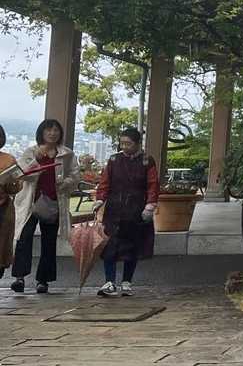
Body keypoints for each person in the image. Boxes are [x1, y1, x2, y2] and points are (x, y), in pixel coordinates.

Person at [11, 119, 80, 294]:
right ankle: (19, 277)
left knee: (49, 242)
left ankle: (43, 280)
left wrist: (65, 183)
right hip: (31, 203)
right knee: (24, 238)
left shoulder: (66, 154)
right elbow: (21, 174)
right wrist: (36, 160)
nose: (52, 133)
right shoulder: (31, 152)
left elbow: (75, 176)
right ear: (41, 133)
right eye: (48, 130)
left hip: (53, 202)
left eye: (56, 130)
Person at [93, 126, 159, 298]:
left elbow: (153, 185)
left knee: (132, 246)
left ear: (137, 144)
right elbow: (105, 182)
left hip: (136, 209)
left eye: (128, 143)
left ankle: (127, 282)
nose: (124, 147)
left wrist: (150, 205)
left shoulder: (147, 161)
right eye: (122, 143)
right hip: (114, 210)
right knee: (109, 246)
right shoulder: (114, 160)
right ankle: (109, 282)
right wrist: (100, 199)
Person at [0, 125, 21, 282]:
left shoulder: (9, 160)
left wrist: (11, 182)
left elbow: (16, 187)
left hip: (3, 208)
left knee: (1, 251)